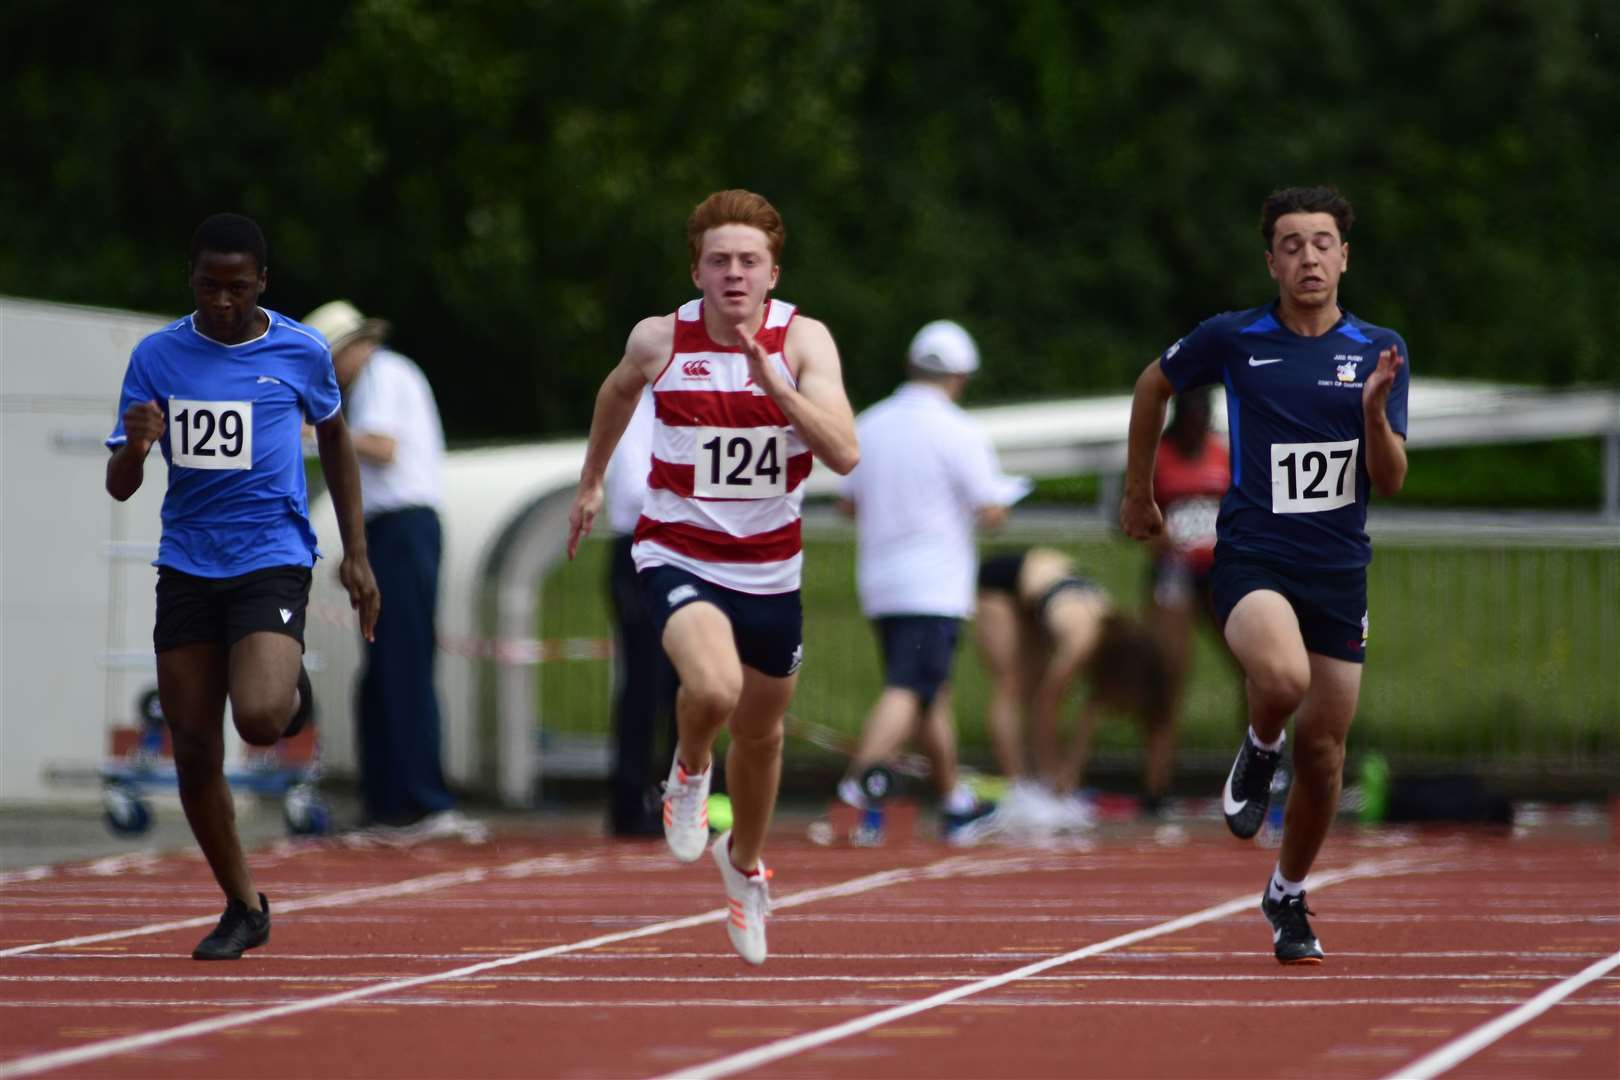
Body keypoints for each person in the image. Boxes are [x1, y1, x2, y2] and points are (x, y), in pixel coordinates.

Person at [566, 189, 859, 964]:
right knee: (717, 690)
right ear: (696, 270)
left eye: (749, 261)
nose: (734, 274)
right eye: (719, 261)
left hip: (771, 570)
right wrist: (593, 480)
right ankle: (689, 769)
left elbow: (844, 452)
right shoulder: (661, 339)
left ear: (772, 273)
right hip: (677, 551)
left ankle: (745, 864)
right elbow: (616, 395)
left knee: (762, 737)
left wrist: (778, 389)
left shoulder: (805, 342)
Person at [1120, 185, 1409, 965]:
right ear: (1271, 260)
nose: (1308, 256)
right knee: (1278, 679)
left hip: (1339, 573)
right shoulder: (1235, 338)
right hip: (1252, 558)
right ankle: (1257, 743)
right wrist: (1137, 490)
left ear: (1344, 256)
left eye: (1322, 242)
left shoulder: (1378, 351)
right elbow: (1154, 385)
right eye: (1291, 243)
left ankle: (1286, 895)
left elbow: (1392, 477)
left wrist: (1376, 414)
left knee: (1325, 757)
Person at [105, 214, 379, 960]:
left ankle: (289, 693)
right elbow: (121, 484)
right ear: (189, 279)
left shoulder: (300, 350)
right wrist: (135, 446)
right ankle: (243, 905)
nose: (221, 301)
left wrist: (356, 555)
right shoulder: (157, 356)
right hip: (189, 562)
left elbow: (336, 441)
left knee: (259, 719)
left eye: (236, 287)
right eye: (207, 286)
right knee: (194, 750)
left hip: (270, 555)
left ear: (262, 282)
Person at [835, 320, 1027, 843]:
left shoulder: (870, 423)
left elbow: (847, 502)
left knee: (929, 694)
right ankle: (857, 789)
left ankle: (951, 802)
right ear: (959, 376)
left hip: (880, 580)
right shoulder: (959, 431)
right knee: (911, 687)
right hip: (934, 584)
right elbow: (990, 509)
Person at [301, 300, 464, 837]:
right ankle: (389, 798)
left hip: (405, 528)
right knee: (385, 664)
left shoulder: (385, 374)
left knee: (402, 660)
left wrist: (312, 433)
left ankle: (417, 798)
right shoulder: (380, 378)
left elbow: (382, 447)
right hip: (390, 530)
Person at [973, 546, 1170, 834]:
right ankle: (1017, 787)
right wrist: (1055, 775)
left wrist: (1071, 772)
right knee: (1011, 686)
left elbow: (1090, 714)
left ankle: (1039, 782)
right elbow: (1046, 704)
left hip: (1040, 591)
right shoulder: (1081, 641)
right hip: (1001, 583)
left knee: (1033, 683)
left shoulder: (1110, 638)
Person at [1143, 387, 1237, 815]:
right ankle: (1156, 787)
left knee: (1253, 666)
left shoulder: (1223, 454)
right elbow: (1131, 511)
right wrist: (1159, 536)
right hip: (1174, 572)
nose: (1198, 425)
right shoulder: (1157, 457)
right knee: (1167, 676)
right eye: (1192, 418)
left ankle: (1255, 776)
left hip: (1218, 571)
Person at [601, 386, 681, 837]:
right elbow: (634, 491)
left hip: (683, 552)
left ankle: (678, 800)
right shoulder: (640, 410)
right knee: (646, 683)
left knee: (688, 683)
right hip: (643, 554)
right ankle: (631, 803)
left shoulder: (697, 408)